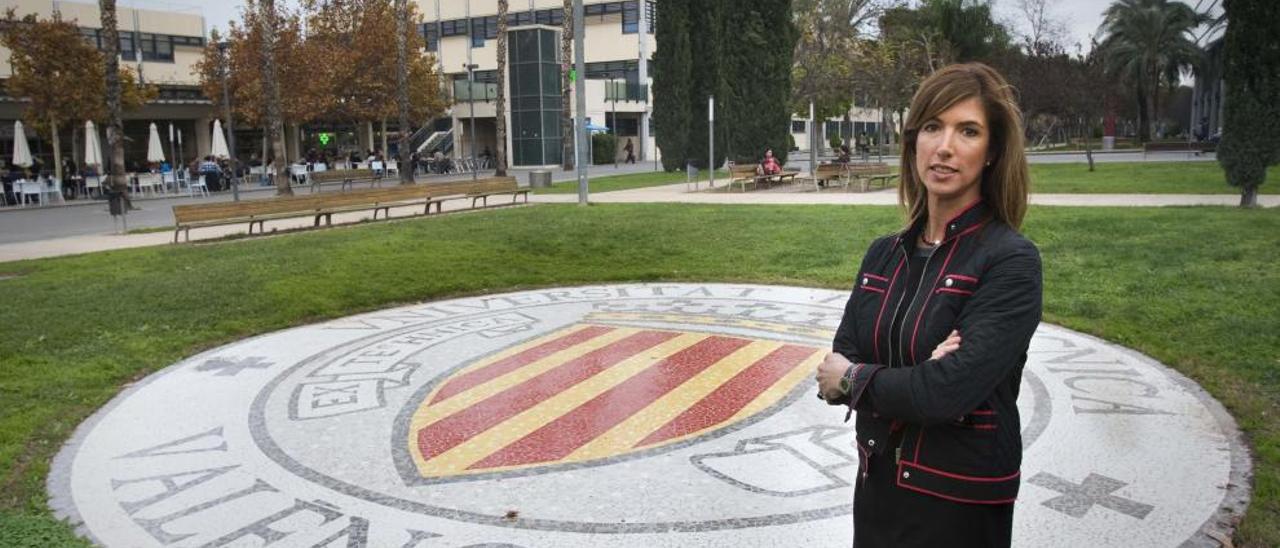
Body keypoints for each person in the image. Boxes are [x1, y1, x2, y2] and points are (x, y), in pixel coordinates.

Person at [815, 62, 1042, 548]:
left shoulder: (1010, 261)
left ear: (992, 151)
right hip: (877, 488)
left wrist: (859, 379)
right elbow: (838, 359)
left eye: (968, 131)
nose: (945, 146)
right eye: (933, 127)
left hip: (959, 502)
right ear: (913, 141)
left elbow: (942, 392)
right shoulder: (883, 253)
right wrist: (919, 375)